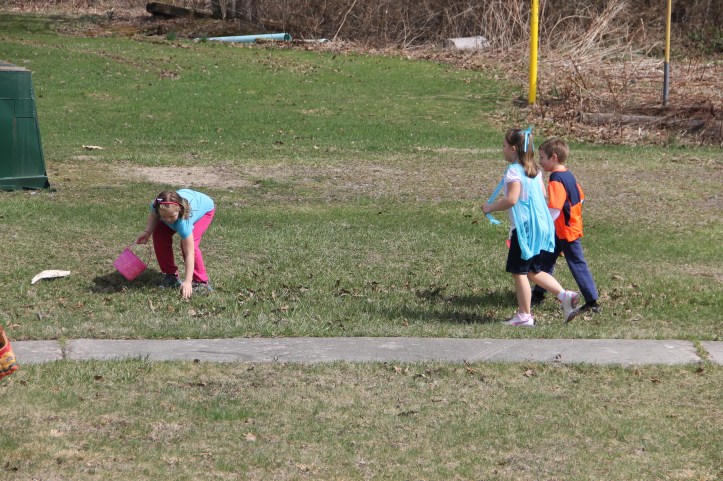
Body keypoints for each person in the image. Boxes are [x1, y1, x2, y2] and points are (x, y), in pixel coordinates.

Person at [482, 127, 581, 326]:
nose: (502, 149)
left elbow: (511, 199)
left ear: (513, 149)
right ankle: (565, 296)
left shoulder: (514, 171)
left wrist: (490, 207)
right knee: (533, 271)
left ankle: (524, 316)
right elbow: (543, 194)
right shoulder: (534, 171)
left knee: (519, 272)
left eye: (503, 145)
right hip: (540, 227)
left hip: (525, 229)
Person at [532, 138, 600, 313]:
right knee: (546, 258)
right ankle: (538, 293)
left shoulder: (556, 178)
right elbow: (581, 197)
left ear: (554, 157)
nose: (540, 161)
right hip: (562, 229)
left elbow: (555, 207)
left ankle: (592, 301)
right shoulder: (568, 174)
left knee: (576, 263)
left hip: (566, 231)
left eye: (542, 157)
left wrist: (543, 224)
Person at [136, 189, 215, 299]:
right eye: (164, 217)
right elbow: (154, 216)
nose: (168, 220)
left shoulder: (184, 221)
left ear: (179, 209)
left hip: (205, 209)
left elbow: (189, 254)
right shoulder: (157, 205)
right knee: (159, 235)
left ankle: (201, 282)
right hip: (179, 208)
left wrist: (187, 281)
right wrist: (147, 232)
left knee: (189, 246)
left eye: (171, 216)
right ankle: (171, 275)